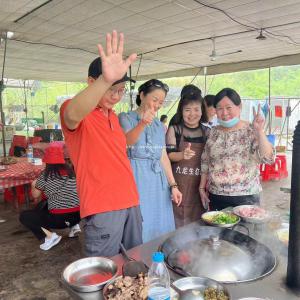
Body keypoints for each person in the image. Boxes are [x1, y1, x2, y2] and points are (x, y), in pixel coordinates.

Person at [60, 31, 142, 257]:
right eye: (111, 89)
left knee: (134, 265)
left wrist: (142, 124)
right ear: (91, 83)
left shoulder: (112, 116)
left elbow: (121, 147)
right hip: (103, 206)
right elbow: (72, 115)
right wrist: (105, 79)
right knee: (103, 273)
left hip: (130, 201)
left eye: (121, 91)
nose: (116, 96)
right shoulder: (77, 109)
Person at [119, 79, 182, 242]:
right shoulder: (126, 117)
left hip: (157, 180)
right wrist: (142, 123)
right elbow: (127, 142)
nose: (158, 104)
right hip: (136, 176)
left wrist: (173, 185)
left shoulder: (159, 125)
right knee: (141, 220)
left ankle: (158, 257)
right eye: (154, 99)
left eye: (161, 102)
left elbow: (162, 156)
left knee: (159, 220)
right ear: (142, 95)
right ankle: (138, 260)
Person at [199, 88, 274, 210]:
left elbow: (268, 158)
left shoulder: (251, 129)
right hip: (216, 196)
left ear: (239, 107)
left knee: (245, 229)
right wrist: (202, 188)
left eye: (229, 107)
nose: (224, 113)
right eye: (219, 108)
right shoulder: (213, 132)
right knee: (218, 229)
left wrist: (259, 131)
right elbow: (205, 162)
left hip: (246, 197)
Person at [19, 143, 81, 251]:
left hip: (60, 220)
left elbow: (35, 195)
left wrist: (34, 184)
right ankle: (74, 227)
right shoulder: (71, 172)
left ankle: (49, 237)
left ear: (47, 161)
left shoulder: (46, 175)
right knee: (47, 204)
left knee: (25, 216)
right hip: (78, 216)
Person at [166, 84, 209, 228]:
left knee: (197, 225)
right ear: (181, 111)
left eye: (196, 109)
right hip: (178, 187)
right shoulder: (174, 129)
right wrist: (182, 155)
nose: (192, 114)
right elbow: (168, 156)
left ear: (202, 111)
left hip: (200, 187)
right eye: (187, 110)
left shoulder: (207, 132)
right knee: (176, 225)